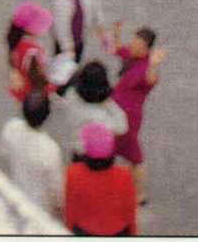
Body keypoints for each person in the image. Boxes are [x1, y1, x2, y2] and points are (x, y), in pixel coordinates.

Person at [109, 24, 165, 206]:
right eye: (133, 42)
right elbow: (118, 49)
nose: (133, 46)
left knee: (131, 155)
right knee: (132, 155)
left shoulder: (146, 67)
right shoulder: (132, 56)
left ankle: (138, 193)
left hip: (128, 118)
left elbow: (151, 80)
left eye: (138, 45)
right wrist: (116, 33)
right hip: (116, 113)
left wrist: (154, 64)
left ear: (147, 49)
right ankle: (138, 193)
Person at [64, 123, 139, 237]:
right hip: (118, 233)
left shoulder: (73, 173)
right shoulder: (124, 175)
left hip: (84, 233)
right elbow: (130, 212)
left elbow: (71, 212)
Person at [0, 91, 64, 218]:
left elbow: (4, 153)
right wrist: (59, 207)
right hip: (40, 208)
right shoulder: (50, 149)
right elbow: (56, 188)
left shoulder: (11, 127)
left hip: (15, 193)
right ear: (47, 116)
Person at [60, 61, 130, 157]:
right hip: (98, 153)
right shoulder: (101, 117)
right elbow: (122, 127)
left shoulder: (70, 95)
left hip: (77, 149)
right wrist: (108, 101)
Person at [7, 1, 54, 102]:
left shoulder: (17, 42)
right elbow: (38, 80)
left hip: (21, 89)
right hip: (31, 92)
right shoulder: (32, 52)